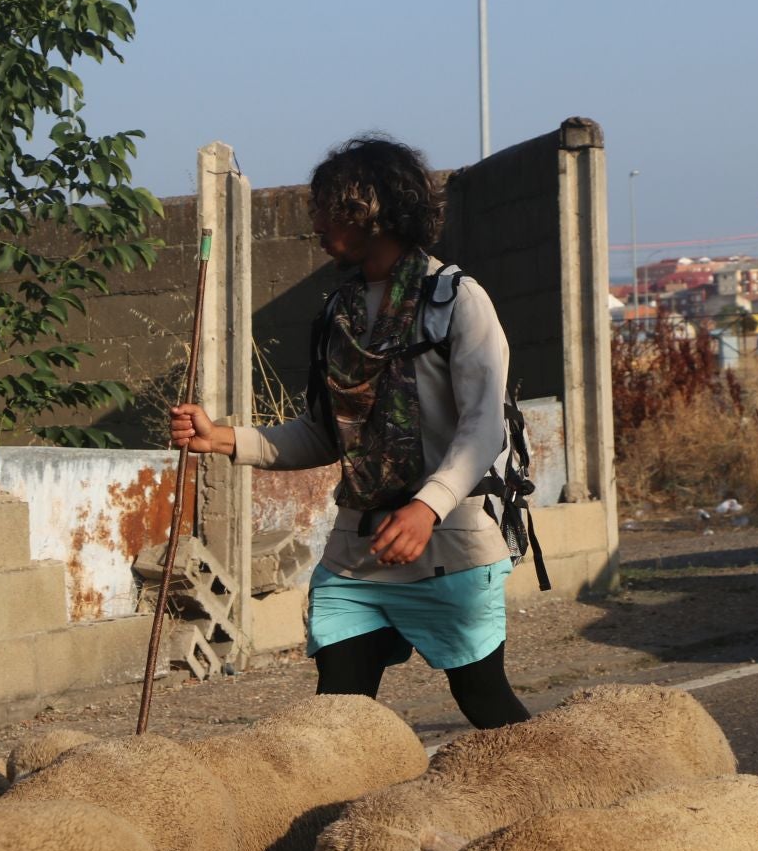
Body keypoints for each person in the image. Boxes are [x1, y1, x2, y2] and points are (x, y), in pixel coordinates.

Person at [170, 134, 529, 729]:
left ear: (371, 211)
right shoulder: (339, 312)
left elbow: (483, 428)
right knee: (336, 721)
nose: (314, 223)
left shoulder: (457, 301)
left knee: (485, 704)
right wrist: (225, 439)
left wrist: (425, 509)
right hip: (355, 555)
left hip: (451, 547)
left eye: (327, 208)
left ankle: (562, 805)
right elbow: (322, 434)